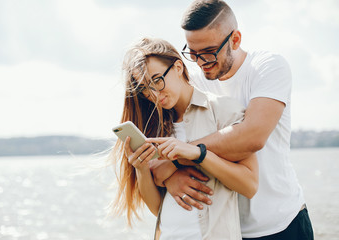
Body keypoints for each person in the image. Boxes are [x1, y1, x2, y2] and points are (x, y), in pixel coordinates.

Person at [150, 0, 314, 239]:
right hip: (228, 229)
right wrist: (171, 179)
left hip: (282, 223)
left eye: (208, 53)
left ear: (235, 39)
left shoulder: (267, 67)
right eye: (192, 53)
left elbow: (252, 137)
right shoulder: (194, 81)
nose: (200, 62)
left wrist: (179, 158)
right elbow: (165, 147)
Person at [110, 37, 258, 239]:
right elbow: (157, 209)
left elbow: (249, 186)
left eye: (156, 80)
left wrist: (199, 154)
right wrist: (142, 169)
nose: (154, 94)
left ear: (178, 67)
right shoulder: (155, 128)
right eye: (145, 88)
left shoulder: (223, 110)